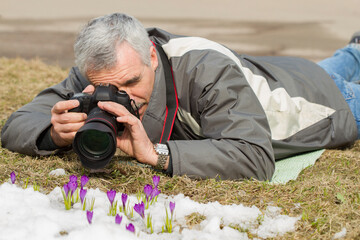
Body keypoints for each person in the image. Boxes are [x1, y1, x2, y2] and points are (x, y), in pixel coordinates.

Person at [1, 13, 359, 181]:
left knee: (329, 78)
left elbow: (254, 156)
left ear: (152, 55)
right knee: (338, 61)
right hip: (277, 68)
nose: (119, 96)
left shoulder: (204, 70)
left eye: (131, 82)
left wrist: (155, 154)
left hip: (321, 101)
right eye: (109, 86)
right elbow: (17, 123)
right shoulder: (100, 74)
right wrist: (54, 133)